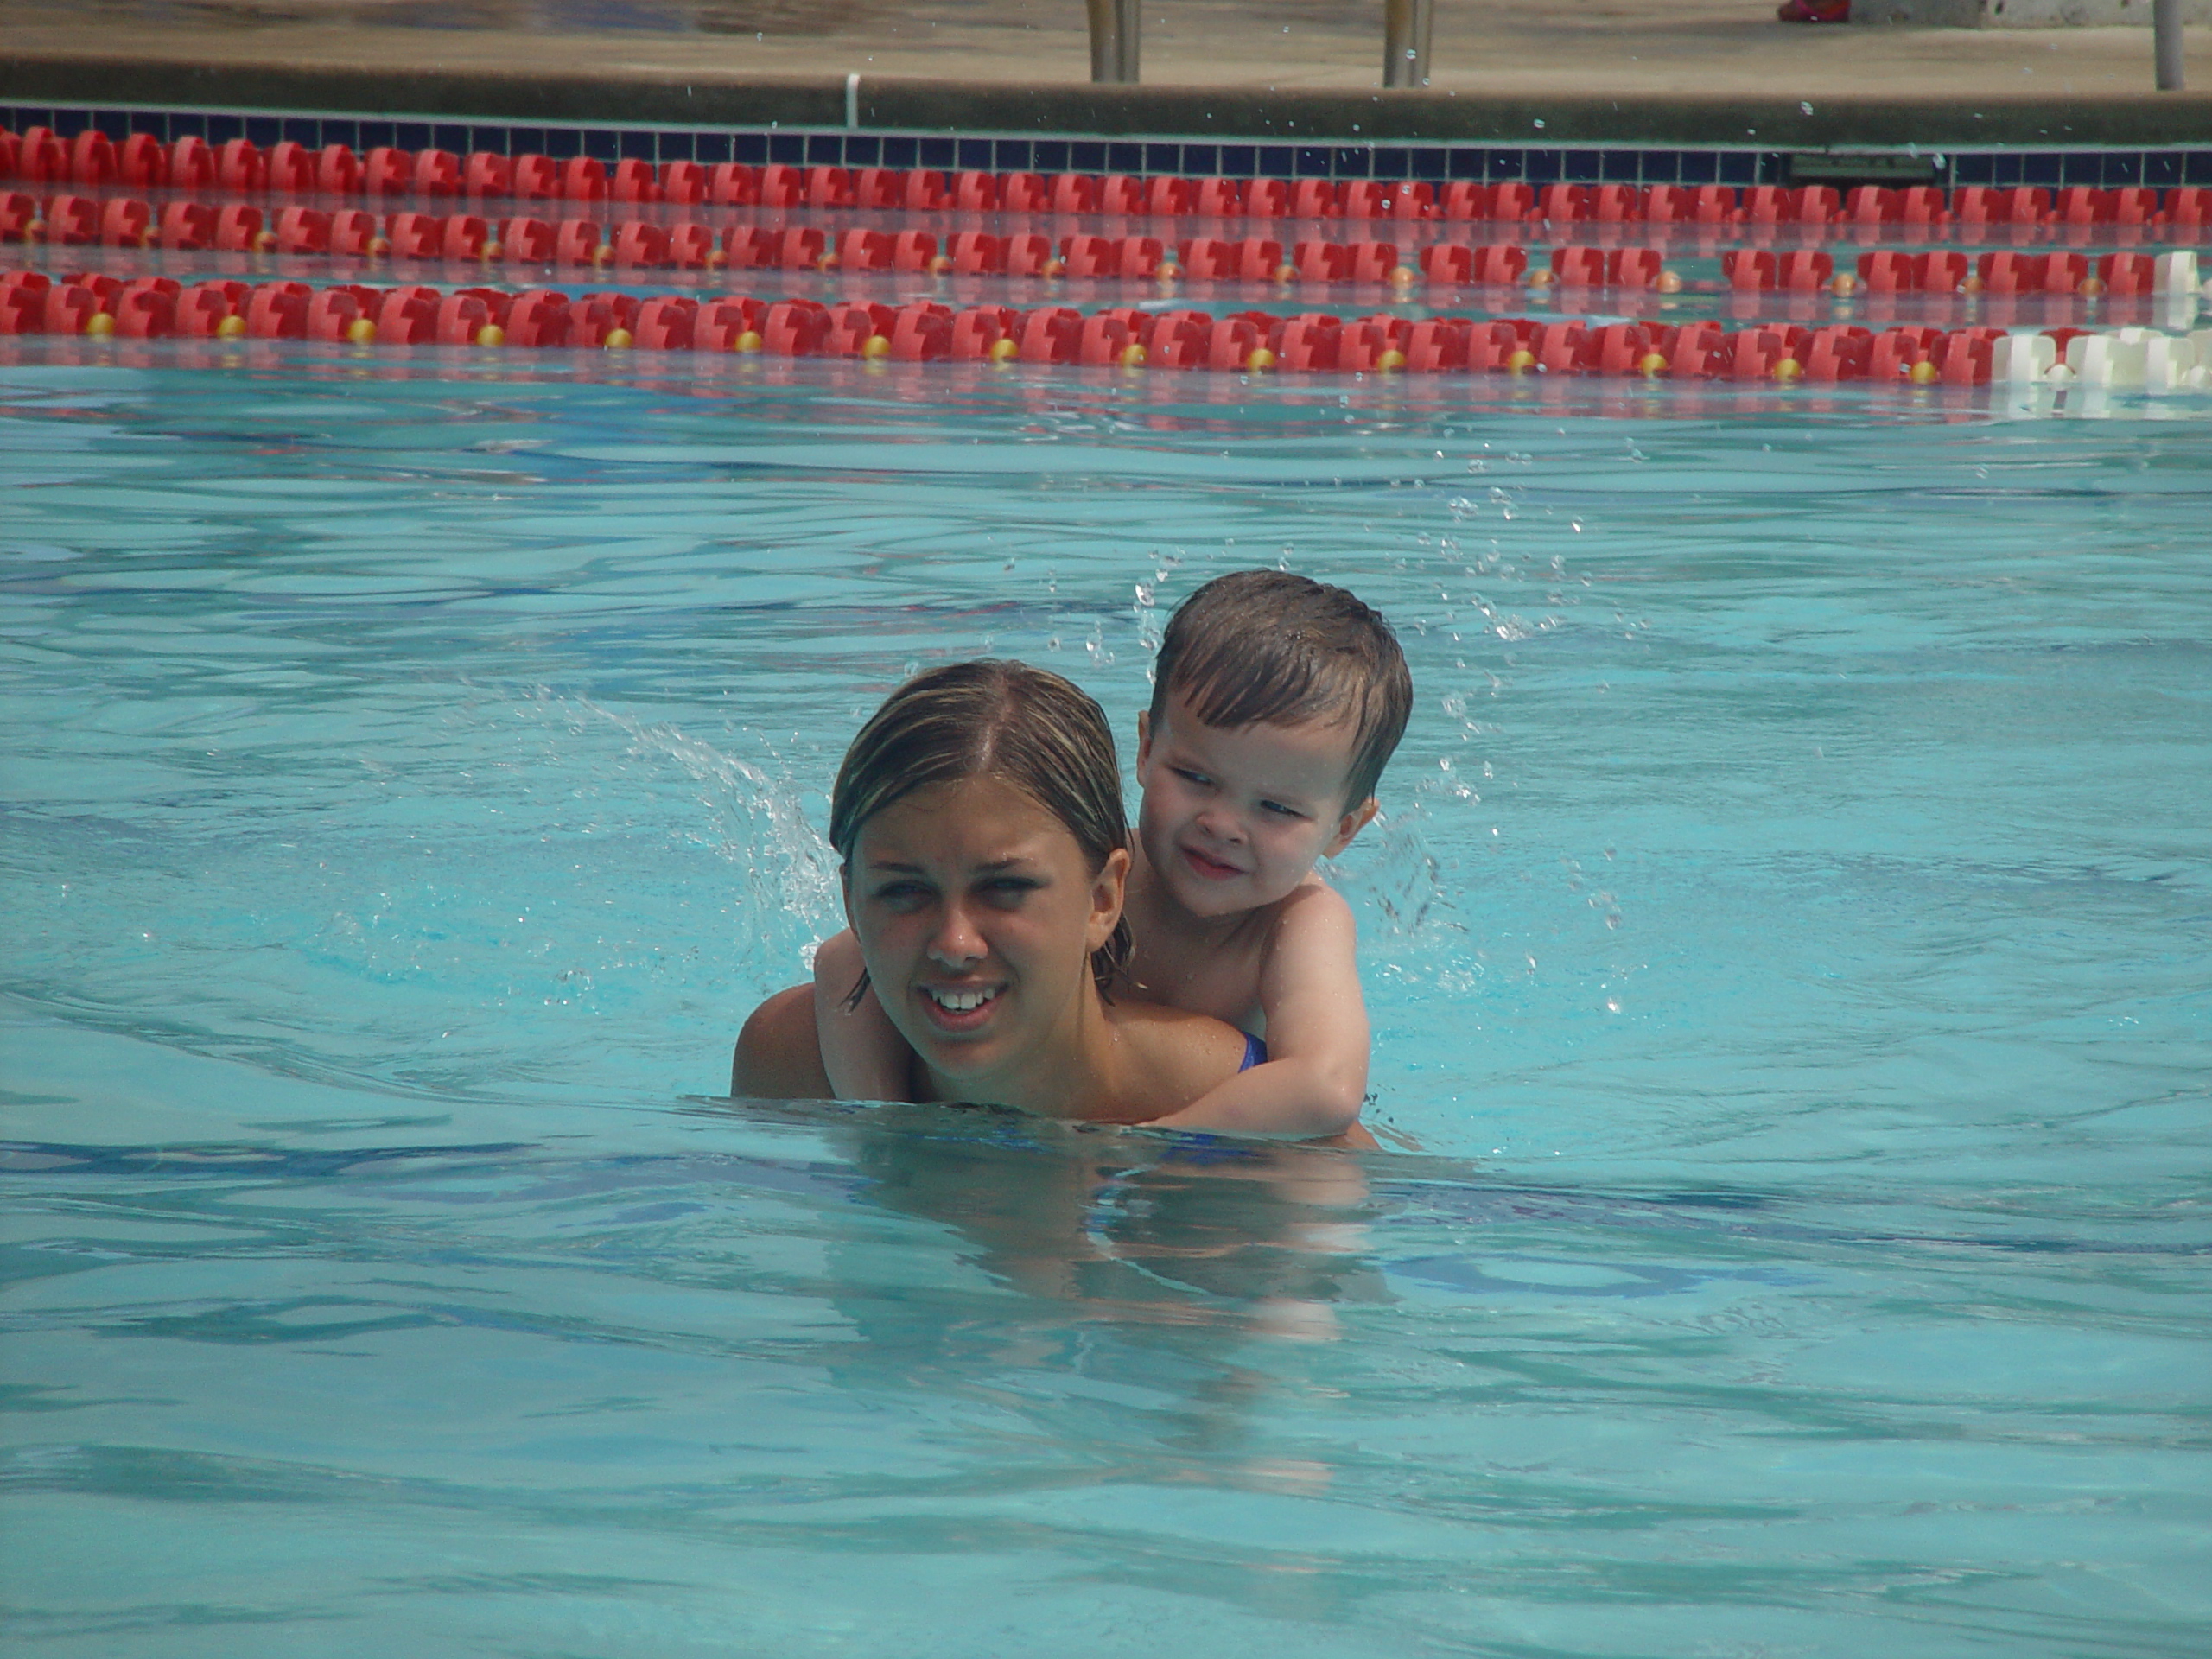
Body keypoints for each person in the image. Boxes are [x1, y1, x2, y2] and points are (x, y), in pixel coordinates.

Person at [811, 571, 1412, 1138]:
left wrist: (1148, 1145)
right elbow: (842, 962)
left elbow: (1327, 1089)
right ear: (1147, 749)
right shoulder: (1093, 867)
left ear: (1345, 828)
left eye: (1277, 809)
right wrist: (886, 1124)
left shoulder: (1301, 921)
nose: (1223, 825)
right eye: (1195, 777)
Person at [733, 659, 1257, 1123]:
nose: (955, 943)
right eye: (903, 891)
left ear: (1102, 900)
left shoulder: (1235, 1107)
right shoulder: (790, 1070)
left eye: (1005, 887)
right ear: (851, 902)